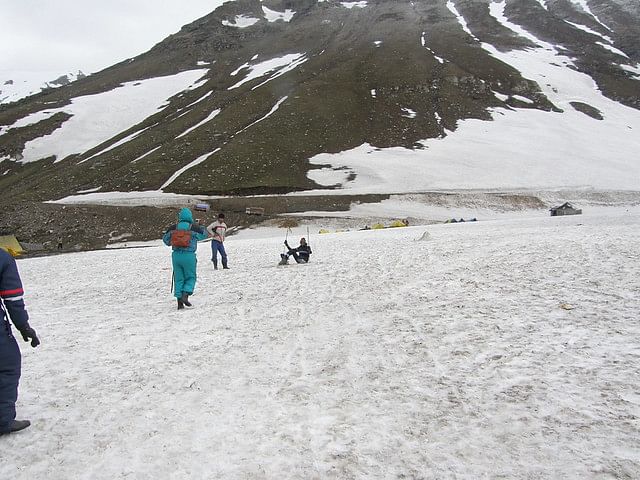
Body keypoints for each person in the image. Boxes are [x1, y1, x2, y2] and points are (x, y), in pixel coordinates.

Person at [0, 248, 40, 435]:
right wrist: (23, 326)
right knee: (7, 366)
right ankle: (2, 421)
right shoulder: (3, 258)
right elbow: (13, 297)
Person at [162, 208, 208, 310]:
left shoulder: (174, 227)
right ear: (190, 216)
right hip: (189, 256)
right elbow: (204, 235)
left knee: (178, 278)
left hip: (176, 256)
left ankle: (179, 302)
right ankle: (185, 295)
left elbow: (165, 240)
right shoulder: (193, 227)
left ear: (180, 216)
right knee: (191, 277)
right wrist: (201, 226)